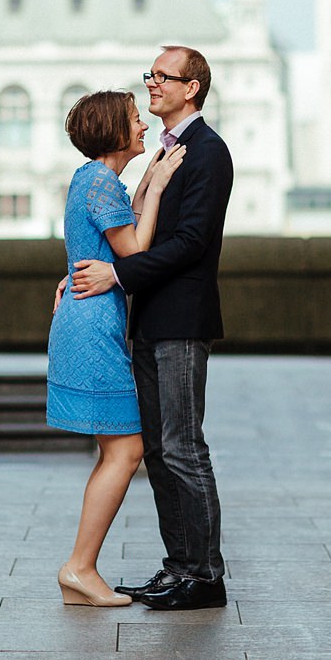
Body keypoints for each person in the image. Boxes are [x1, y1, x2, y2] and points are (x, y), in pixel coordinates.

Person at [70, 46, 233, 611]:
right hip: (150, 319)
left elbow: (191, 244)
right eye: (151, 75)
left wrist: (116, 274)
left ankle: (205, 575)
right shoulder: (163, 155)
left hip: (181, 321)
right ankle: (179, 566)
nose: (152, 84)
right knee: (160, 452)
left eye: (164, 77)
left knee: (183, 448)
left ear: (192, 88)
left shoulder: (209, 152)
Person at [48, 90, 185, 607]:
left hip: (87, 321)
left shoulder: (93, 179)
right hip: (93, 328)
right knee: (126, 450)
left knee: (118, 449)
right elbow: (134, 252)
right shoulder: (101, 181)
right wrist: (159, 184)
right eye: (134, 120)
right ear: (114, 130)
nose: (144, 126)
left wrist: (149, 178)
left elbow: (105, 240)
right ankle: (79, 567)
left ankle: (81, 569)